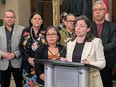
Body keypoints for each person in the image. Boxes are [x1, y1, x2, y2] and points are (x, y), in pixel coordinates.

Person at [60, 15, 106, 87]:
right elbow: (70, 60)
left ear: (88, 29)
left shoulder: (96, 42)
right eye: (76, 25)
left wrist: (90, 63)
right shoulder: (70, 42)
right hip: (73, 79)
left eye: (81, 26)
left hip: (91, 80)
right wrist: (66, 61)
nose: (78, 28)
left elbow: (102, 63)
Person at [91, 1, 116, 87]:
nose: (97, 12)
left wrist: (97, 49)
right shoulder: (88, 27)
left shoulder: (113, 26)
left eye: (100, 9)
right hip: (91, 63)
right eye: (95, 10)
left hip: (107, 64)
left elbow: (113, 44)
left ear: (105, 11)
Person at [19, 12, 45, 87]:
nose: (37, 20)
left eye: (39, 19)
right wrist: (28, 59)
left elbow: (47, 47)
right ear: (31, 20)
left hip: (41, 66)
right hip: (28, 65)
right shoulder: (26, 31)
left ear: (42, 21)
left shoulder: (45, 31)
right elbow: (21, 47)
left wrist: (37, 60)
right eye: (35, 19)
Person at [0, 9, 24, 87]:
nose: (9, 19)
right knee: (4, 85)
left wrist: (15, 54)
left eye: (11, 17)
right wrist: (2, 54)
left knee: (19, 84)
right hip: (3, 62)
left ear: (14, 18)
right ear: (4, 18)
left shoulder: (22, 30)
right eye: (7, 17)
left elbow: (25, 46)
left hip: (17, 62)